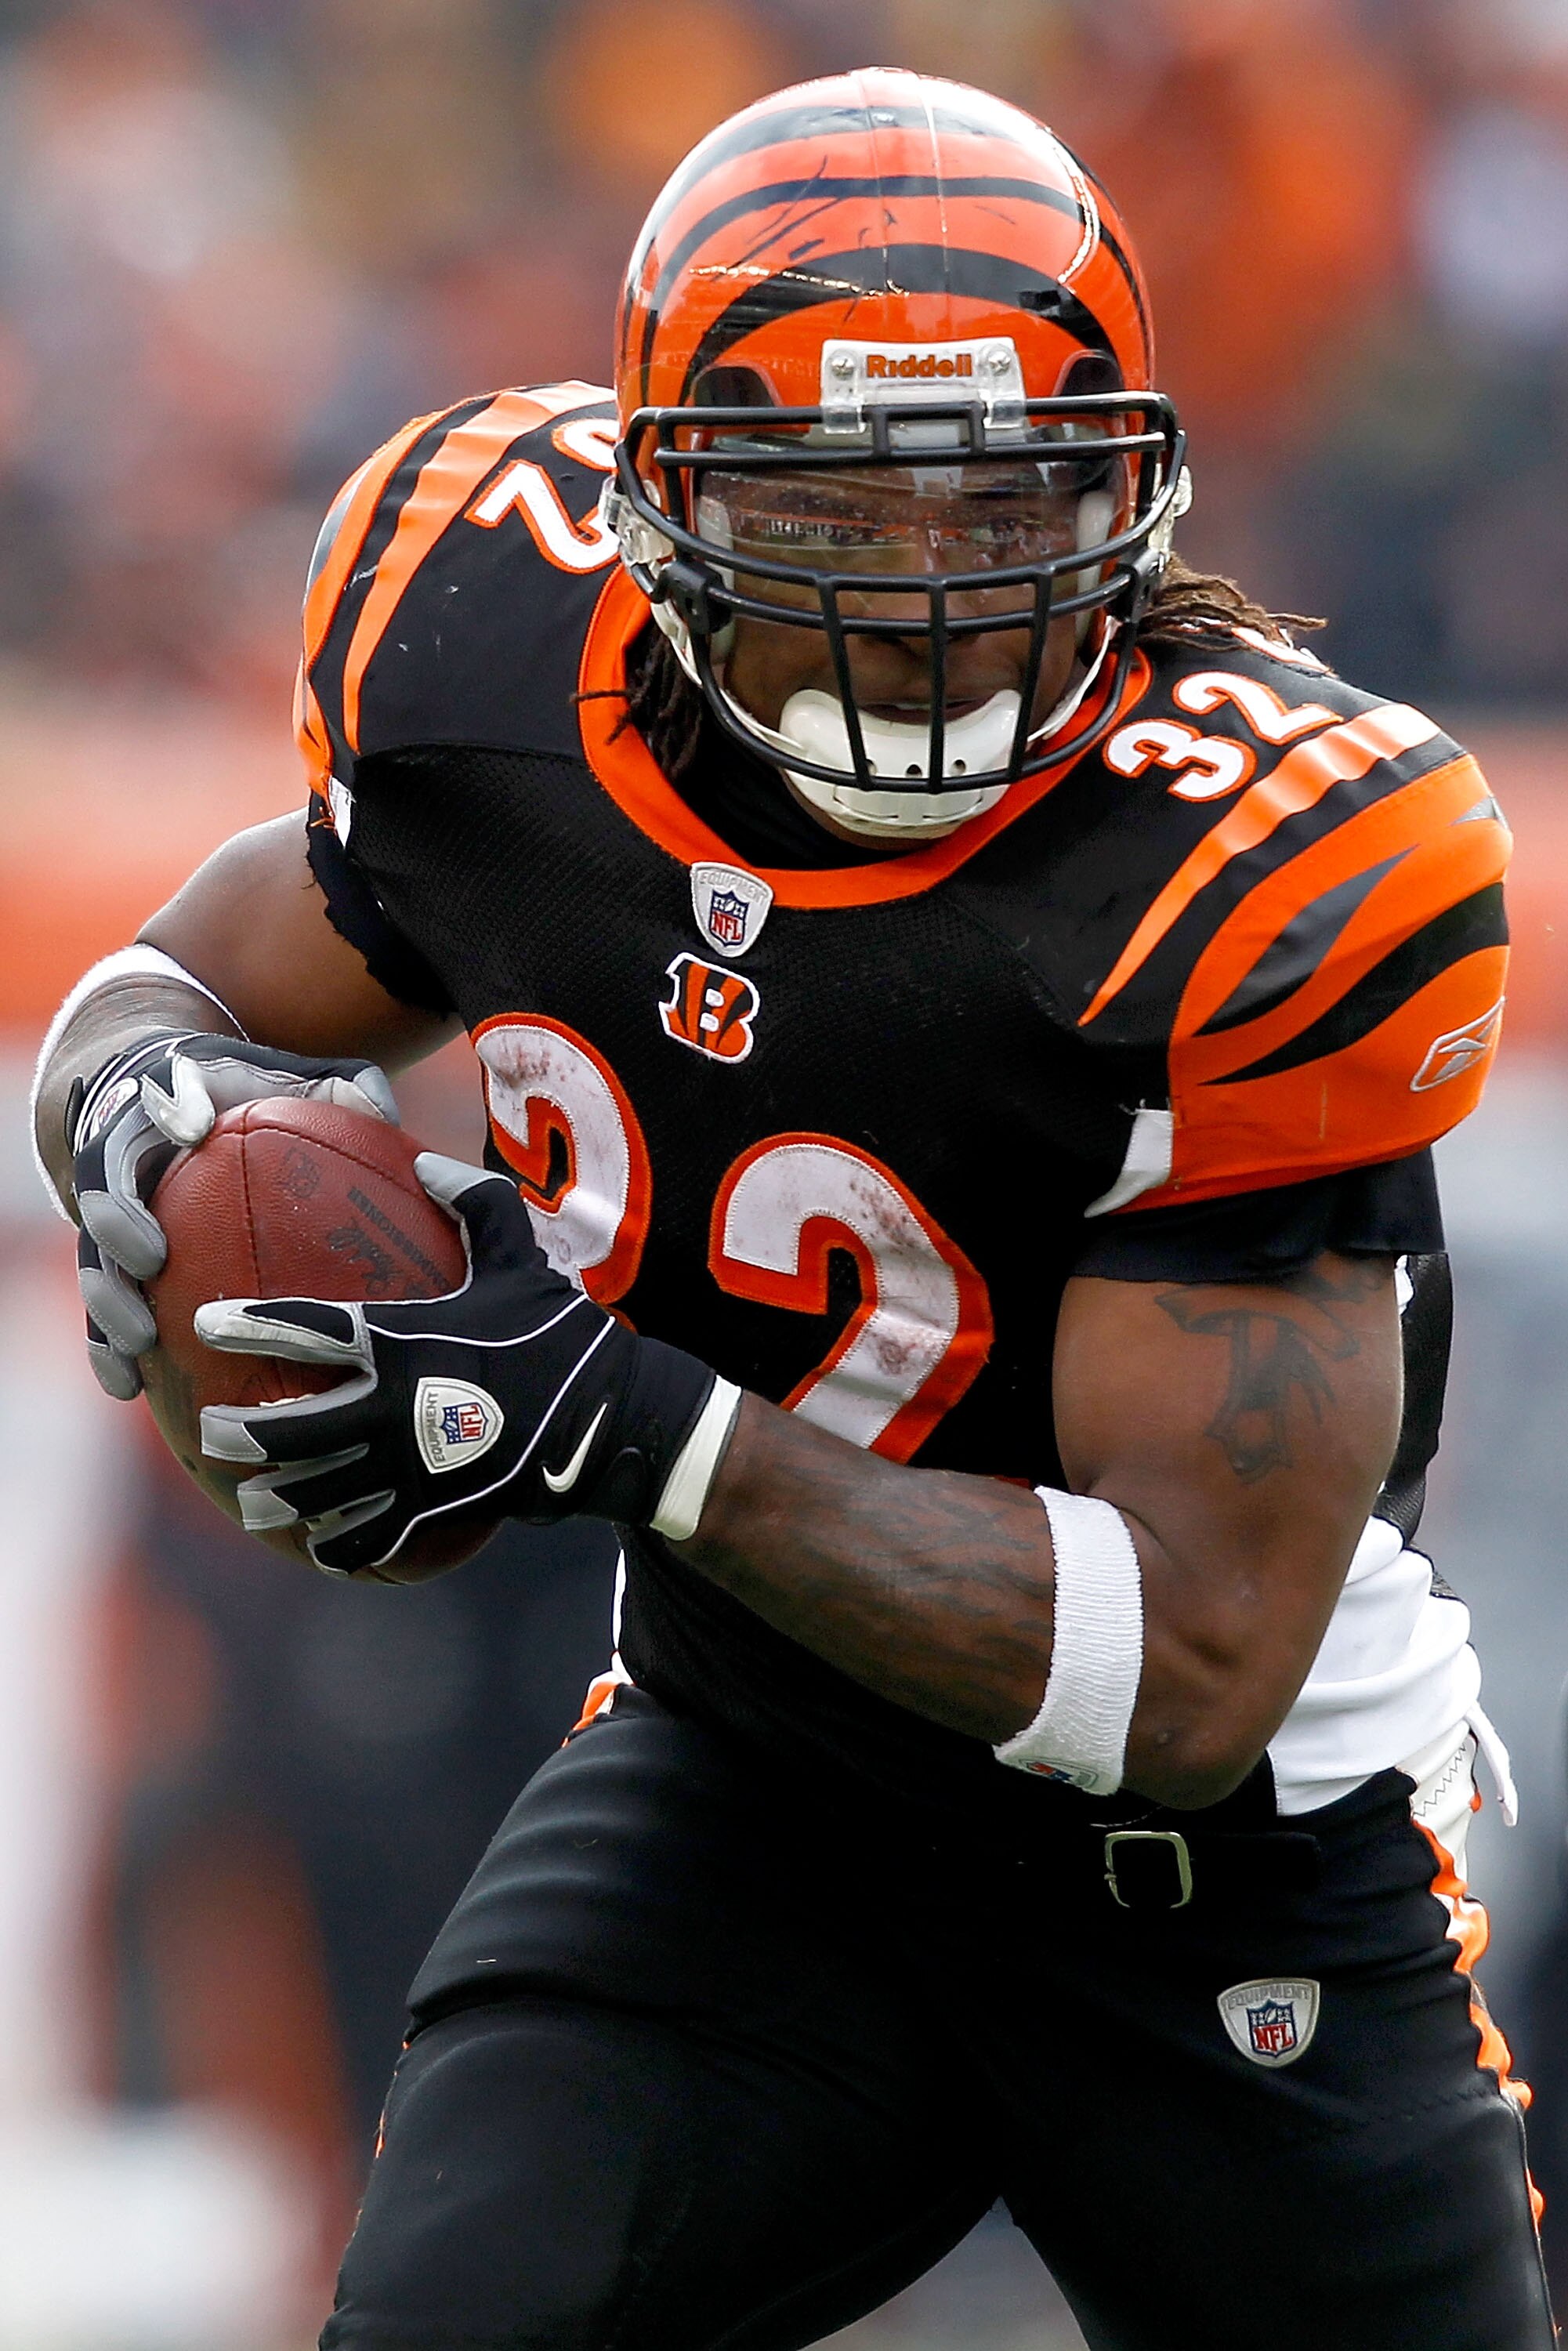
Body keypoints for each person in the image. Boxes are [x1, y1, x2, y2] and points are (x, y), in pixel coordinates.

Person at [32, 67, 1548, 2351]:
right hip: (754, 1784)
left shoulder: (1261, 865)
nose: (927, 601)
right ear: (656, 510)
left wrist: (612, 1424)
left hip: (1218, 1878)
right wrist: (138, 1099)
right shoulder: (484, 638)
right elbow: (218, 961)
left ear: (1125, 495)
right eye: (838, 515)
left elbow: (1192, 1675)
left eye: (995, 508)